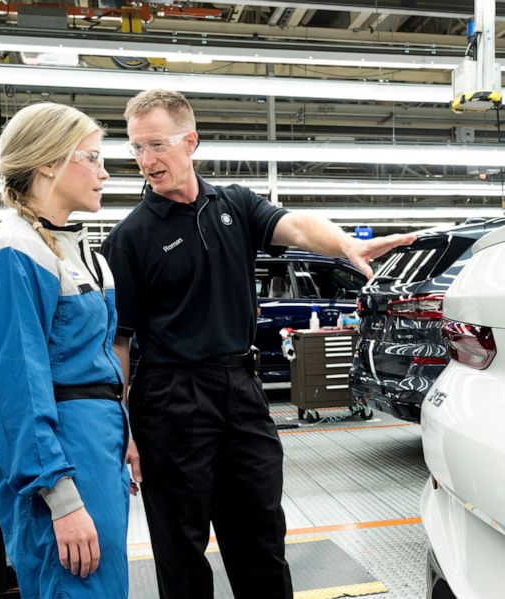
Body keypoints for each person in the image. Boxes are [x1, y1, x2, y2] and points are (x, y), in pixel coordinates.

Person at [100, 89, 415, 599]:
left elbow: (296, 225)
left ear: (191, 141)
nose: (145, 161)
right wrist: (124, 428)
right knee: (180, 547)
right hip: (170, 399)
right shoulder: (130, 237)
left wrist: (346, 243)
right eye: (136, 148)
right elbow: (118, 345)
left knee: (261, 534)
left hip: (241, 391)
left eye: (156, 145)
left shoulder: (235, 204)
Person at [0, 102, 130, 598]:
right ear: (49, 163)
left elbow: (98, 364)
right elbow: (16, 391)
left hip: (97, 453)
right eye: (93, 157)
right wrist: (61, 499)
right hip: (61, 462)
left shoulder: (83, 254)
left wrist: (126, 437)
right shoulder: (12, 253)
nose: (104, 172)